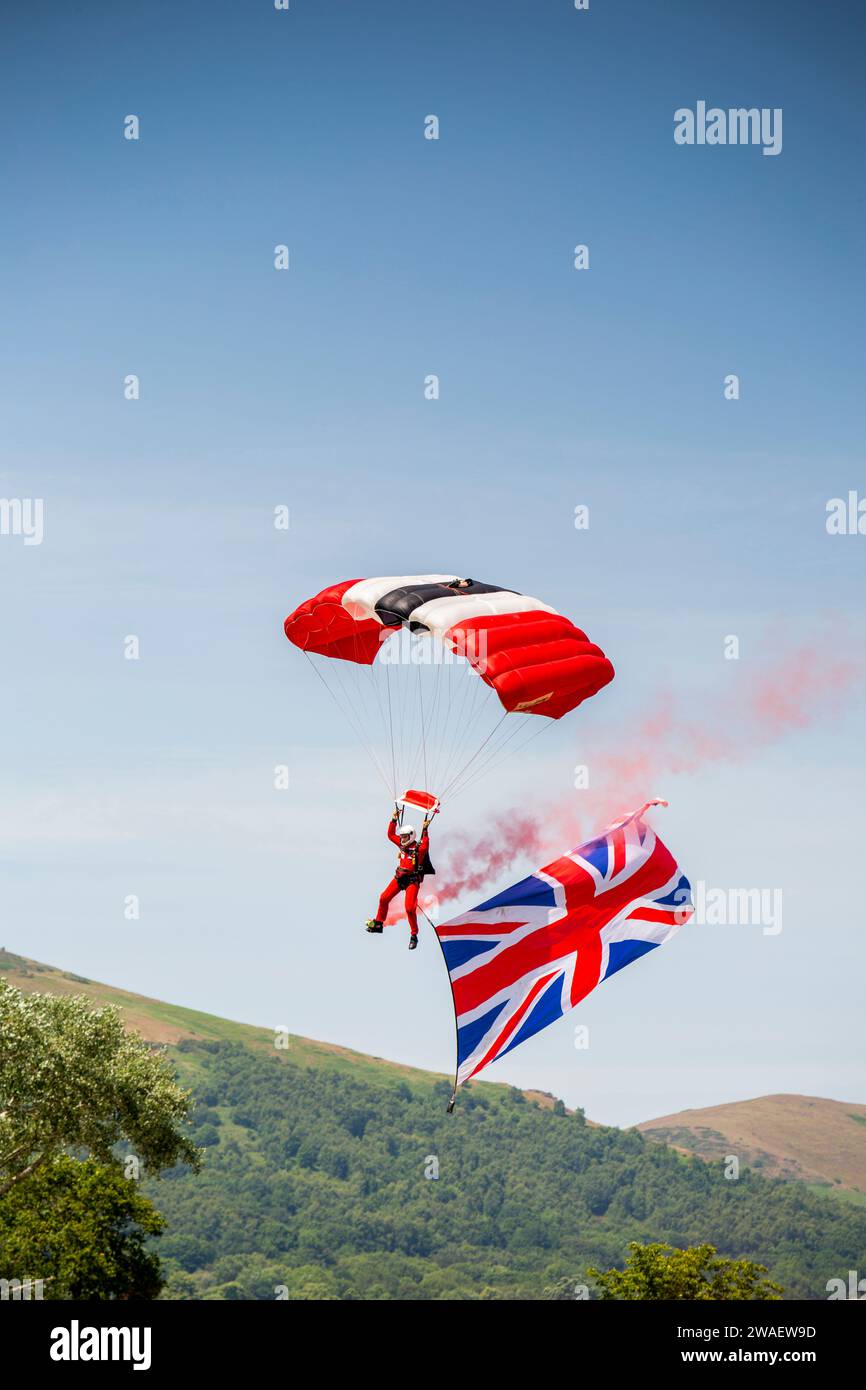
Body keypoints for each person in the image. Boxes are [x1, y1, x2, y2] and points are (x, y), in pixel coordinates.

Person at [366, 809, 434, 950]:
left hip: (412, 881)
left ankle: (414, 935)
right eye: (401, 836)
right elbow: (390, 835)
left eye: (404, 837)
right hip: (399, 878)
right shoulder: (402, 845)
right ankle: (379, 923)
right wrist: (393, 819)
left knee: (409, 908)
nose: (401, 839)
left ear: (410, 836)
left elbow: (426, 844)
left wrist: (425, 829)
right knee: (383, 898)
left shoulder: (419, 849)